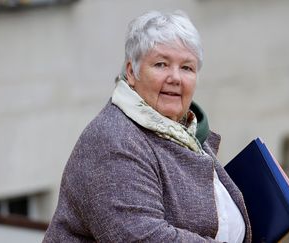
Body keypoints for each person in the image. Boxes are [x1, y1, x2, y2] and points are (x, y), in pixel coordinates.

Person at [44, 10, 252, 243]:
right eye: (161, 64)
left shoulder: (184, 130)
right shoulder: (114, 140)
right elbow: (142, 236)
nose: (175, 77)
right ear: (132, 72)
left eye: (187, 68)